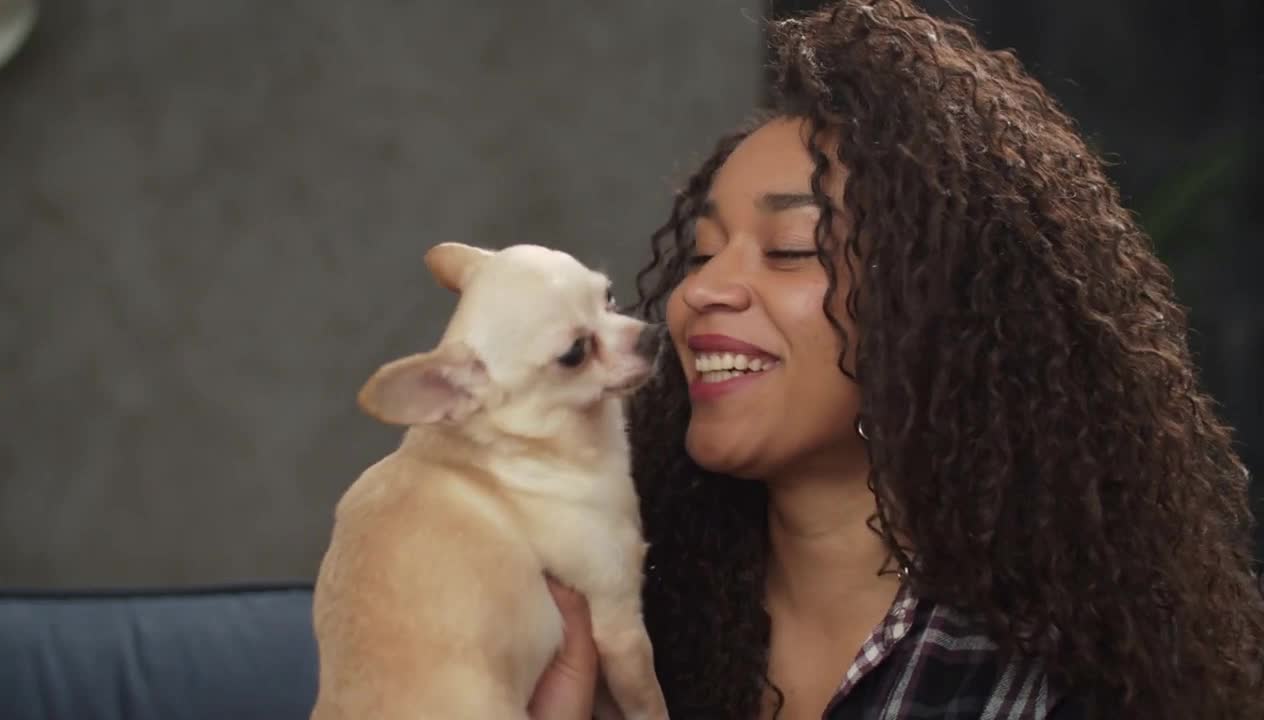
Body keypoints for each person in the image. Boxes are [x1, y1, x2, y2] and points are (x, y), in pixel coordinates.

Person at [529, 1, 1264, 718]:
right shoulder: (602, 635)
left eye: (789, 250)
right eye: (702, 252)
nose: (701, 290)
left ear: (937, 315)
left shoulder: (1062, 683)